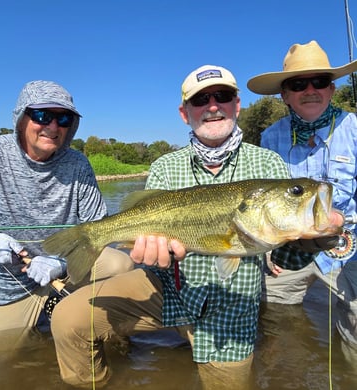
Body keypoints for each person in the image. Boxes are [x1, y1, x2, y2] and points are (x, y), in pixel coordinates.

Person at [50, 65, 342, 389]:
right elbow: (151, 246)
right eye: (201, 99)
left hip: (231, 313)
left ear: (237, 104)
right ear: (184, 112)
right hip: (167, 292)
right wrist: (146, 251)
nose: (213, 105)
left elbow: (287, 261)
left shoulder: (268, 164)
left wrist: (315, 239)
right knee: (68, 319)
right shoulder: (164, 165)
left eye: (223, 96)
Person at [0, 80, 133, 351]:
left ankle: (71, 308)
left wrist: (61, 262)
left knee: (119, 264)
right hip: (4, 284)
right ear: (21, 119)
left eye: (63, 118)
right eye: (42, 115)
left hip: (65, 268)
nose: (53, 127)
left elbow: (98, 225)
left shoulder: (78, 164)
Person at [247, 40, 357, 366]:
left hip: (347, 245)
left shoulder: (355, 129)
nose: (310, 90)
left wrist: (339, 224)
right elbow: (261, 201)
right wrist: (264, 246)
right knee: (274, 317)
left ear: (332, 88)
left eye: (319, 82)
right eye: (298, 84)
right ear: (284, 94)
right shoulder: (269, 137)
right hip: (287, 248)